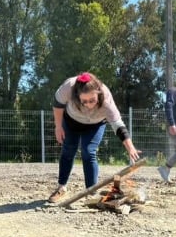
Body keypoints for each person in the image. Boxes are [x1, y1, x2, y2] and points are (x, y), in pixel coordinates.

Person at [48, 72, 141, 203]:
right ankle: (61, 187)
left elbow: (118, 125)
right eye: (84, 101)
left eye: (92, 100)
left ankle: (91, 192)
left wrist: (130, 147)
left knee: (88, 151)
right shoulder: (68, 87)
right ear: (77, 96)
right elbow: (58, 105)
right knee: (68, 150)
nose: (89, 105)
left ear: (98, 93)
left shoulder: (106, 98)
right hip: (71, 122)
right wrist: (58, 126)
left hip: (95, 124)